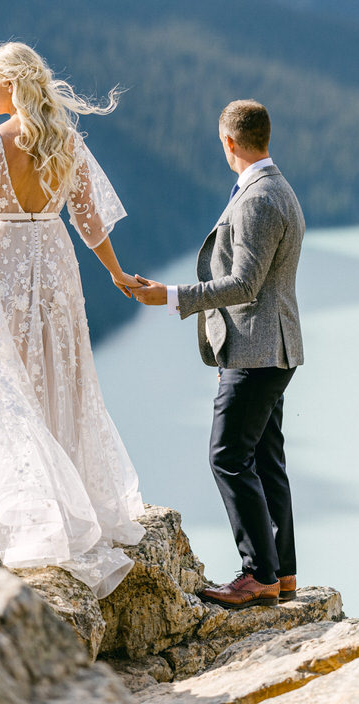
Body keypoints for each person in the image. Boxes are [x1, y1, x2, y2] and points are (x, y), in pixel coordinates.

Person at [0, 41, 145, 597]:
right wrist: (116, 272)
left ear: (11, 83)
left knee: (3, 389)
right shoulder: (66, 140)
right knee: (61, 378)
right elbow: (89, 220)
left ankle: (10, 520)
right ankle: (67, 505)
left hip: (3, 265)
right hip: (55, 263)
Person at [133, 99, 304, 609]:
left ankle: (257, 576)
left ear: (229, 142)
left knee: (228, 457)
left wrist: (170, 296)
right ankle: (282, 572)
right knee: (266, 460)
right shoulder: (281, 189)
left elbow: (246, 283)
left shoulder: (255, 198)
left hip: (254, 351)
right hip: (277, 347)